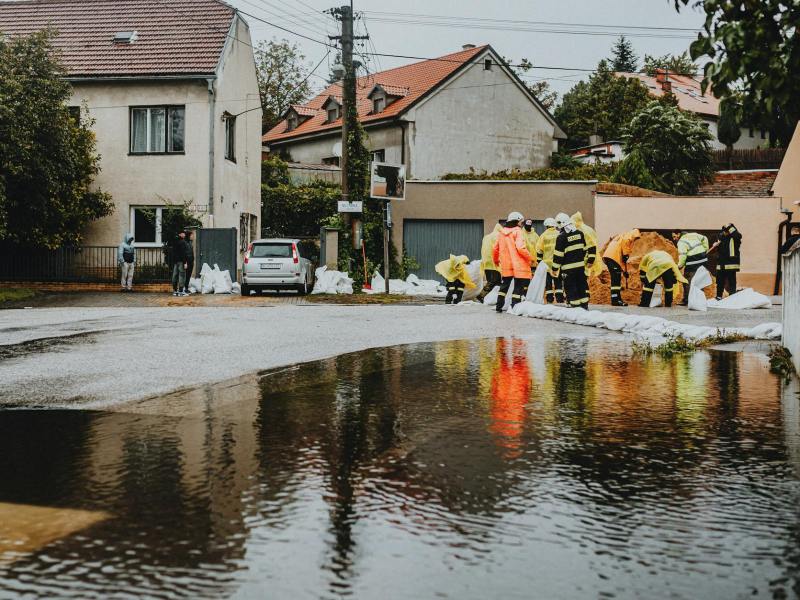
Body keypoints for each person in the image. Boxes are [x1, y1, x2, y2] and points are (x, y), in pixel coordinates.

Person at [492, 212, 532, 312]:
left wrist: (496, 260)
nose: (521, 224)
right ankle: (515, 306)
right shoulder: (518, 231)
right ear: (516, 221)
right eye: (521, 222)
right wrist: (529, 258)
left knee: (504, 286)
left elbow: (495, 248)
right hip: (518, 264)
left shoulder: (501, 232)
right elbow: (520, 248)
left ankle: (499, 306)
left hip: (506, 264)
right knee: (518, 286)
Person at [552, 212, 589, 310]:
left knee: (571, 288)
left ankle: (576, 308)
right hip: (580, 268)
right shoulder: (580, 234)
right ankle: (584, 306)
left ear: (561, 224)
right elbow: (585, 250)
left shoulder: (561, 237)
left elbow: (558, 255)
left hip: (568, 270)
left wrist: (554, 268)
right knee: (581, 286)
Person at [602, 228, 641, 306]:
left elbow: (621, 260)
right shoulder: (627, 238)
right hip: (612, 257)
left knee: (616, 277)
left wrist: (623, 271)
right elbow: (624, 254)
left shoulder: (622, 236)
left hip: (611, 257)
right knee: (616, 279)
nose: (635, 240)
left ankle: (617, 299)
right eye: (636, 238)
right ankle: (615, 300)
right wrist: (626, 254)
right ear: (634, 235)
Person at [673, 230, 709, 306]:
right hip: (703, 260)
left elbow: (683, 256)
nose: (674, 239)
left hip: (693, 262)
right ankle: (699, 299)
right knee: (699, 280)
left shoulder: (681, 242)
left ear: (679, 234)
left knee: (687, 280)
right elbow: (704, 238)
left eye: (674, 236)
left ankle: (687, 300)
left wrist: (679, 266)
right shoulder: (694, 234)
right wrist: (705, 249)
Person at [710, 223, 742, 300]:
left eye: (726, 231)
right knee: (720, 282)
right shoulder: (721, 237)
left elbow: (737, 235)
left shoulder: (735, 238)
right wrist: (715, 246)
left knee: (732, 281)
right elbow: (716, 251)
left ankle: (732, 297)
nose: (725, 232)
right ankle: (718, 296)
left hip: (731, 264)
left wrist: (729, 226)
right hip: (721, 264)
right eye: (724, 231)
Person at [536, 218, 564, 304]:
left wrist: (540, 262)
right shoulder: (559, 234)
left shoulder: (543, 236)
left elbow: (539, 250)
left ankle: (549, 300)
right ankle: (559, 300)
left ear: (546, 226)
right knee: (558, 282)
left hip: (547, 264)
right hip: (557, 263)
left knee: (548, 283)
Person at [571, 212, 602, 281]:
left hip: (587, 259)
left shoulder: (582, 230)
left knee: (587, 280)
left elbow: (591, 245)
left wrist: (590, 260)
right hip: (590, 258)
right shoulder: (587, 229)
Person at [478, 221, 504, 301]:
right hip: (494, 263)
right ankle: (481, 296)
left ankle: (493, 298)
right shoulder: (498, 236)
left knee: (495, 281)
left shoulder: (487, 237)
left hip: (487, 263)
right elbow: (499, 249)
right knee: (494, 281)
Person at [171, 231, 191, 297]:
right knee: (182, 276)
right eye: (183, 233)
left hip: (175, 261)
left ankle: (174, 291)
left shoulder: (175, 241)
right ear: (180, 234)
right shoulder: (183, 242)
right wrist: (185, 262)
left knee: (175, 275)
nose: (184, 234)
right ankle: (181, 291)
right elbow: (183, 253)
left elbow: (173, 252)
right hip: (181, 261)